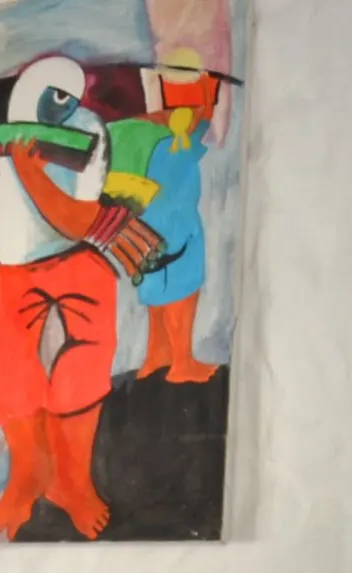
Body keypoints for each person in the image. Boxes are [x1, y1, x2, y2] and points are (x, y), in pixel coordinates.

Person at [0, 56, 125, 540]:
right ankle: (27, 477)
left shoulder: (89, 133)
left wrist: (30, 168)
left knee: (82, 368)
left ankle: (74, 483)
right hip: (17, 271)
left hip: (79, 257)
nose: (60, 105)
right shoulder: (0, 135)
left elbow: (78, 222)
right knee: (13, 374)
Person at [132, 49, 224, 384]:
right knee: (183, 288)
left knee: (155, 286)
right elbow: (205, 116)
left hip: (145, 225)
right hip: (179, 226)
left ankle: (157, 354)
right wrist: (209, 87)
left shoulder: (142, 131)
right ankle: (182, 361)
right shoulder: (186, 132)